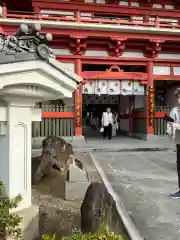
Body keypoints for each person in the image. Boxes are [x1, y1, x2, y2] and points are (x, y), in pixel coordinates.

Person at [166, 88, 180, 199]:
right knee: (179, 165)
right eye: (178, 97)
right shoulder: (174, 110)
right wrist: (169, 129)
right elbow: (170, 123)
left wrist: (176, 125)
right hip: (178, 140)